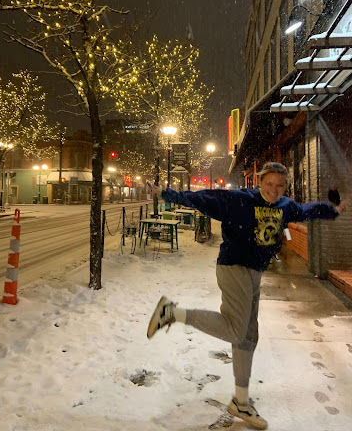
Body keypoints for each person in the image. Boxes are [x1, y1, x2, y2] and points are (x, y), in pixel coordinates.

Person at [146, 162, 346, 430]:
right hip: (233, 267)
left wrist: (331, 211)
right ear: (260, 181)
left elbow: (307, 210)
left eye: (279, 185)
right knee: (236, 331)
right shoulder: (240, 200)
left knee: (249, 336)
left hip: (254, 273)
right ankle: (172, 313)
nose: (274, 190)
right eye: (269, 183)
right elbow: (204, 198)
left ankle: (240, 402)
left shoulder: (285, 206)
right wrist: (167, 194)